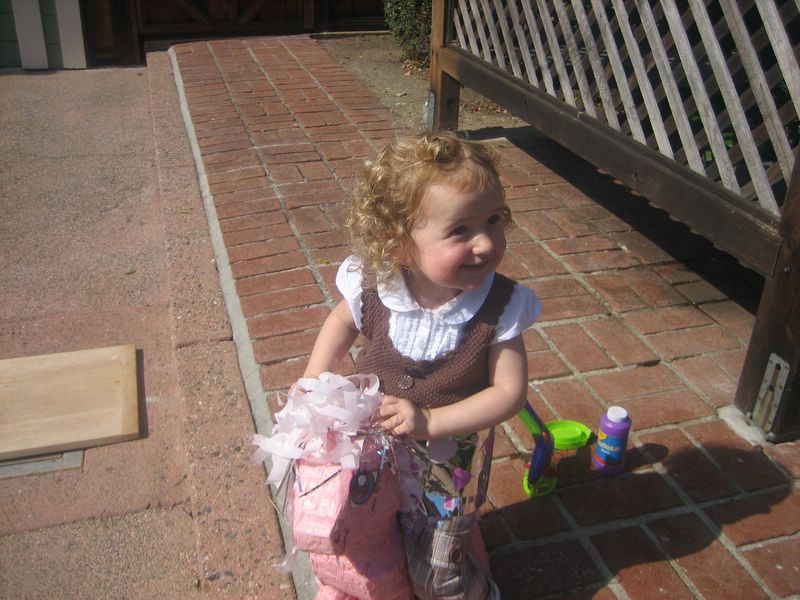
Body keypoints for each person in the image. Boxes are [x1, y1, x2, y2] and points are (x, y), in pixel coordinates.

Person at [302, 131, 541, 599]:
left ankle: (470, 590)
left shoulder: (500, 306)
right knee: (374, 523)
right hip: (378, 448)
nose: (485, 243)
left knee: (436, 568)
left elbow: (509, 393)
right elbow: (341, 321)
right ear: (399, 244)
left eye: (493, 220)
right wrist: (316, 378)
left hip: (446, 465)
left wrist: (430, 420)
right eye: (460, 230)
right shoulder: (378, 285)